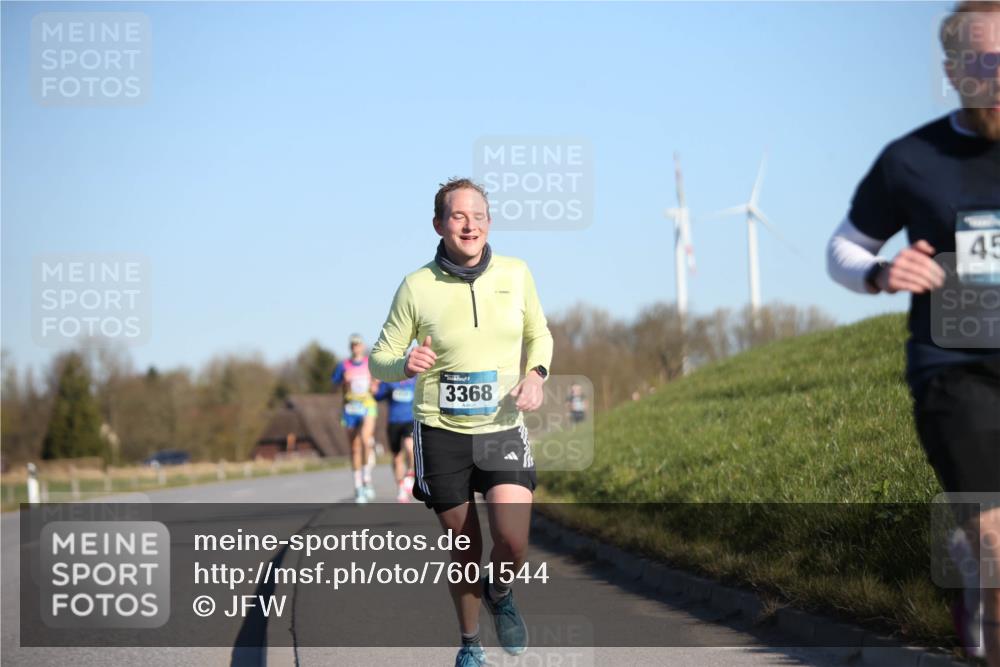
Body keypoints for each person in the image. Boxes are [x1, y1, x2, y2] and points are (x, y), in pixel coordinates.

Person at [827, 3, 999, 662]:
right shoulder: (910, 160)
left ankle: (970, 574)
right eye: (986, 62)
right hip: (955, 373)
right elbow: (842, 248)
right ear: (955, 71)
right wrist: (879, 271)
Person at [370, 178, 552, 667]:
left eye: (478, 215)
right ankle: (470, 644)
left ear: (489, 222)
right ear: (438, 224)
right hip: (441, 430)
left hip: (502, 426)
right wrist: (402, 365)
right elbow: (379, 358)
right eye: (458, 216)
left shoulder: (516, 274)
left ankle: (503, 593)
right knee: (465, 546)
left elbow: (540, 335)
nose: (469, 225)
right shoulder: (416, 286)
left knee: (512, 539)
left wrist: (535, 375)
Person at [332, 334, 379, 504]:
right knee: (354, 447)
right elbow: (334, 384)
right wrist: (343, 381)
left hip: (367, 406)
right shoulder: (343, 365)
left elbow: (377, 384)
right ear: (350, 347)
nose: (355, 347)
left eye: (358, 344)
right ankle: (358, 486)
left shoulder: (369, 363)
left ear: (362, 346)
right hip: (350, 408)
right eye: (352, 345)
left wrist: (375, 386)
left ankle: (367, 479)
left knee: (366, 440)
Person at [373, 376, 417, 502]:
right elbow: (377, 397)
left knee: (410, 448)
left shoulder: (414, 380)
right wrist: (375, 388)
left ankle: (410, 474)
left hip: (410, 420)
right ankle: (401, 487)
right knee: (397, 457)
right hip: (393, 422)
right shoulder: (389, 382)